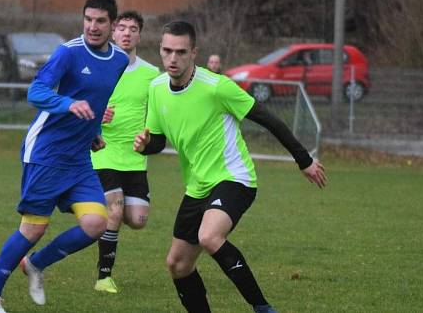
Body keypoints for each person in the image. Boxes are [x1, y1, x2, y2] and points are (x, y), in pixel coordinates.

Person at [133, 21, 326, 313]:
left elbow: (268, 119)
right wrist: (145, 144)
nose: (173, 58)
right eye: (167, 51)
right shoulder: (157, 88)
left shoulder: (217, 86)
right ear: (160, 50)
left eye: (181, 52)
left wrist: (304, 160)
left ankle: (262, 308)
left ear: (193, 53)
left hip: (234, 178)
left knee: (209, 236)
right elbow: (158, 141)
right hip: (197, 186)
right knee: (177, 264)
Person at [0, 0, 129, 313]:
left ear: (113, 25)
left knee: (96, 224)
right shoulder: (68, 53)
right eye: (88, 19)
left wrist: (93, 133)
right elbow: (36, 91)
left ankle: (36, 264)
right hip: (46, 151)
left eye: (101, 21)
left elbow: (94, 99)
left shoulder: (119, 61)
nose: (93, 26)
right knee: (33, 228)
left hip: (78, 158)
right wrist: (68, 104)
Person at [90, 10, 160, 294]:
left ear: (140, 35)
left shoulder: (152, 74)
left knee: (138, 220)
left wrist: (148, 138)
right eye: (121, 28)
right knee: (115, 211)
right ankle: (103, 277)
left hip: (134, 157)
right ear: (113, 32)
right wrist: (96, 115)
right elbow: (77, 104)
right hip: (103, 150)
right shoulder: (98, 67)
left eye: (133, 28)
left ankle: (92, 207)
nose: (127, 33)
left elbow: (156, 120)